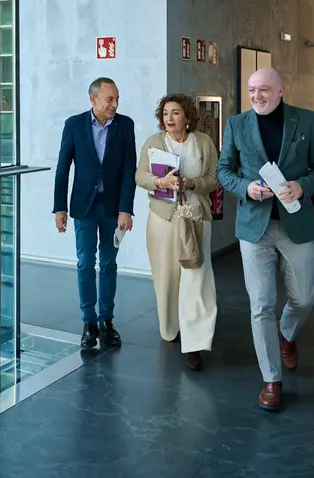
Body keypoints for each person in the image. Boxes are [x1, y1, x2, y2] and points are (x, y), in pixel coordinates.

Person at [216, 68, 314, 411]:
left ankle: (287, 333)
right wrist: (246, 188)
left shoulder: (306, 121)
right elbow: (224, 170)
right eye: (252, 90)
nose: (257, 96)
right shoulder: (237, 124)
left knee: (304, 298)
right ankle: (271, 379)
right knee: (260, 305)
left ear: (282, 90)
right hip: (254, 227)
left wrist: (303, 186)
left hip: (295, 224)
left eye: (264, 89)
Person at [134, 93, 219, 370]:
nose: (169, 119)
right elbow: (140, 176)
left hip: (195, 217)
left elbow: (215, 177)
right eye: (166, 114)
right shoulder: (154, 142)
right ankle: (171, 328)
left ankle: (195, 343)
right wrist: (160, 181)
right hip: (163, 219)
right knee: (166, 277)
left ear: (187, 117)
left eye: (175, 113)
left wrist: (192, 183)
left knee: (197, 276)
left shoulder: (203, 142)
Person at [53, 77, 137, 350]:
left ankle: (106, 320)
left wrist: (126, 208)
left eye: (117, 99)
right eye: (109, 99)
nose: (114, 104)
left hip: (113, 208)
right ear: (93, 99)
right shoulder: (74, 125)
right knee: (85, 263)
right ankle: (89, 321)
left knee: (109, 264)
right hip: (84, 207)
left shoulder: (125, 125)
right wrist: (60, 207)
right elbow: (63, 167)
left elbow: (129, 170)